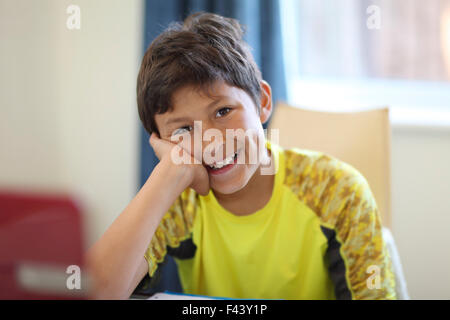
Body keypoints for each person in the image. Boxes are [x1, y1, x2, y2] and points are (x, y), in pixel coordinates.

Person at [85, 12, 396, 300]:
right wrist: (170, 173)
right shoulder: (177, 201)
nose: (211, 143)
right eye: (182, 131)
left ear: (262, 101)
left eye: (223, 111)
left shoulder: (335, 190)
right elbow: (97, 292)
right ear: (159, 141)